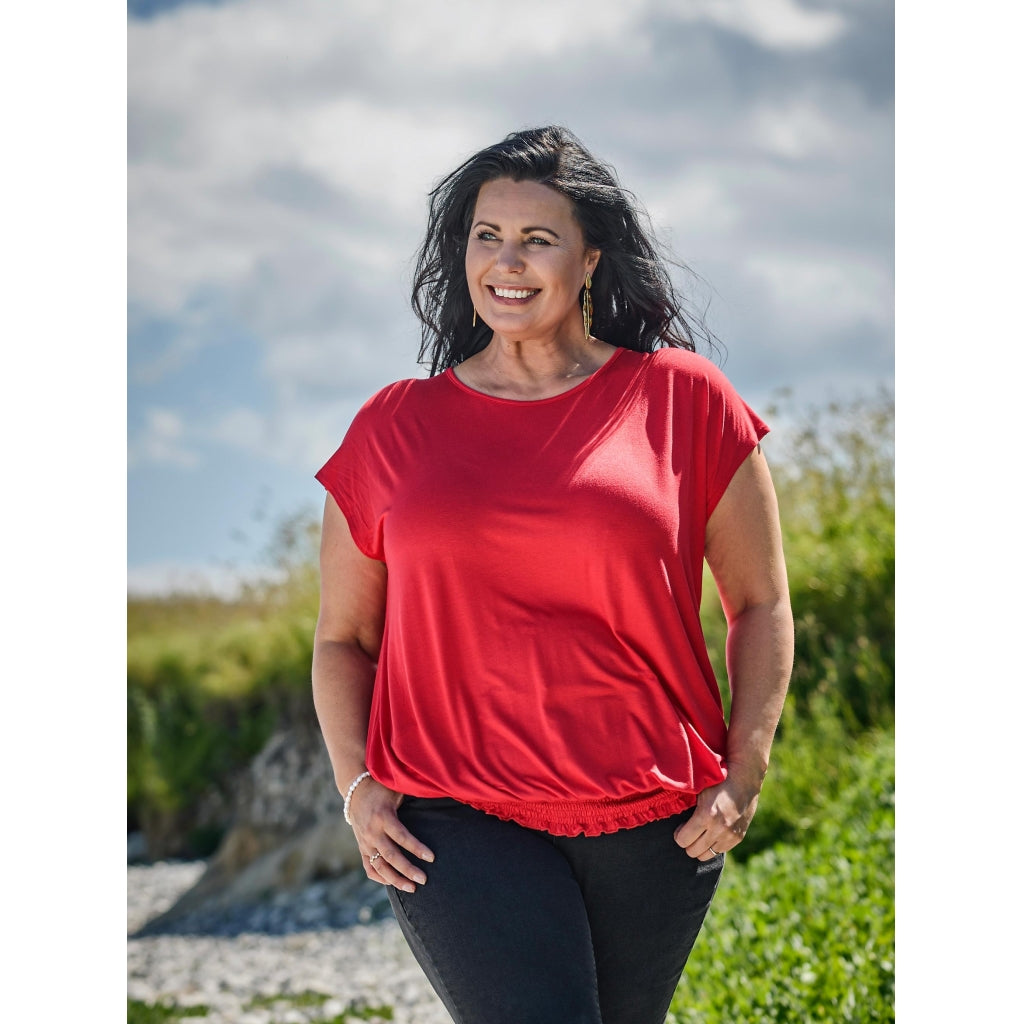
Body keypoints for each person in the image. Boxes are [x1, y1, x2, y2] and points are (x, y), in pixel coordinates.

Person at [311, 125, 794, 1024]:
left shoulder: (684, 400)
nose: (508, 261)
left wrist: (746, 768)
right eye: (487, 236)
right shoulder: (392, 428)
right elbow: (344, 638)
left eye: (538, 239)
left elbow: (760, 603)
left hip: (655, 819)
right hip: (453, 816)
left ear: (589, 259)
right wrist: (356, 786)